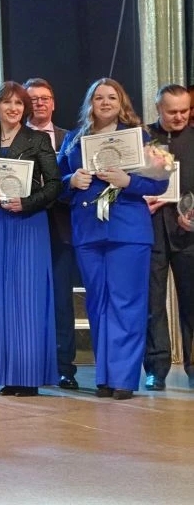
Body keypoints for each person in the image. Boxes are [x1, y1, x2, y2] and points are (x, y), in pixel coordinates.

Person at [58, 78, 167, 400]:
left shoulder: (140, 137)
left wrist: (128, 181)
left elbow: (160, 183)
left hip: (128, 230)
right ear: (90, 104)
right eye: (98, 98)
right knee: (98, 303)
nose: (105, 103)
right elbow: (56, 184)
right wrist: (70, 181)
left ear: (122, 104)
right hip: (88, 231)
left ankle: (123, 378)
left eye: (112, 98)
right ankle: (105, 376)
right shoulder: (74, 139)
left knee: (127, 303)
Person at [0, 82, 61, 396]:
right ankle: (7, 374)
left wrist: (26, 203)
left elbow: (54, 185)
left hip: (28, 223)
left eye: (19, 104)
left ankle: (28, 376)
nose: (13, 108)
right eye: (7, 103)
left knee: (28, 299)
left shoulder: (38, 139)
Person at [24, 77, 79, 389]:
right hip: (24, 225)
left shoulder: (71, 138)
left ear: (54, 103)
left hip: (60, 228)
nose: (39, 103)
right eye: (33, 99)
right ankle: (31, 364)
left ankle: (64, 367)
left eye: (44, 98)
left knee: (61, 301)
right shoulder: (14, 138)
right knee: (28, 299)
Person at [143, 84, 194, 390]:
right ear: (158, 109)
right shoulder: (143, 137)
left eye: (184, 111)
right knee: (153, 303)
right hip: (149, 231)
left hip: (188, 233)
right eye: (172, 111)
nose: (179, 117)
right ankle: (156, 368)